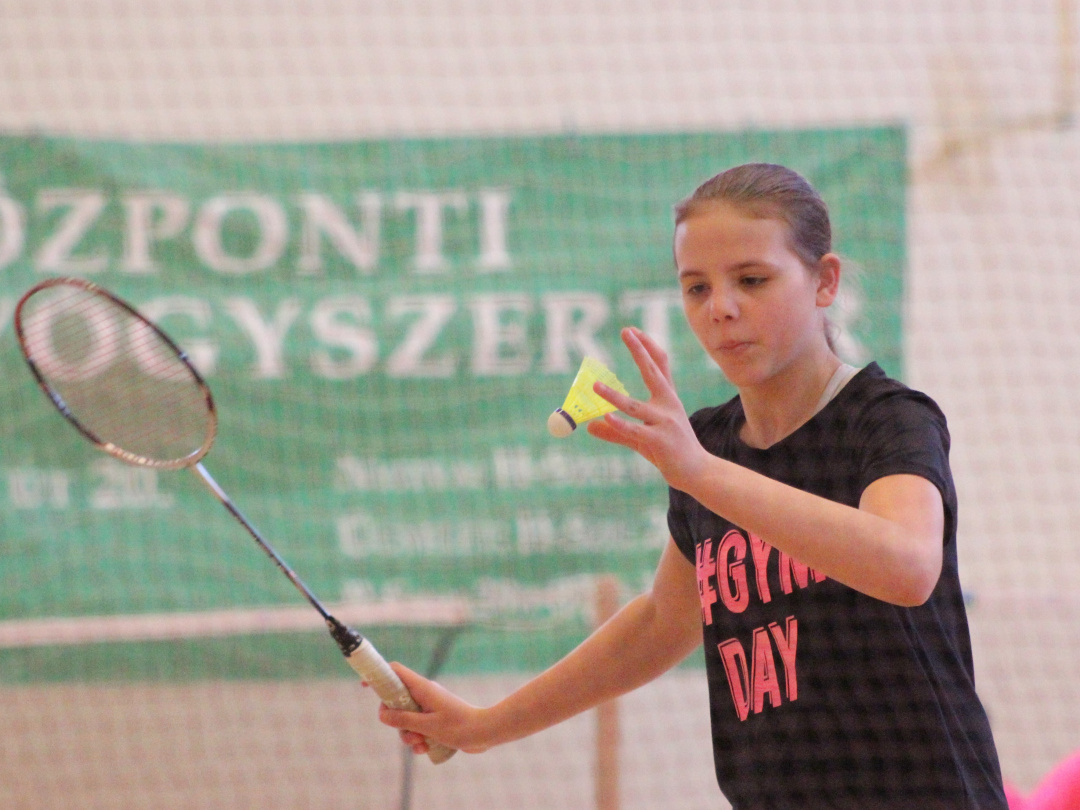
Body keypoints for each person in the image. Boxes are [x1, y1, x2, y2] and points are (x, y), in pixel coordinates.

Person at [374, 163, 1009, 809]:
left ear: (825, 281)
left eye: (752, 280)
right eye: (696, 287)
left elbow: (906, 566)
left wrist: (700, 473)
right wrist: (484, 726)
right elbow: (661, 621)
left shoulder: (886, 419)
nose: (721, 308)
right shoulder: (708, 444)